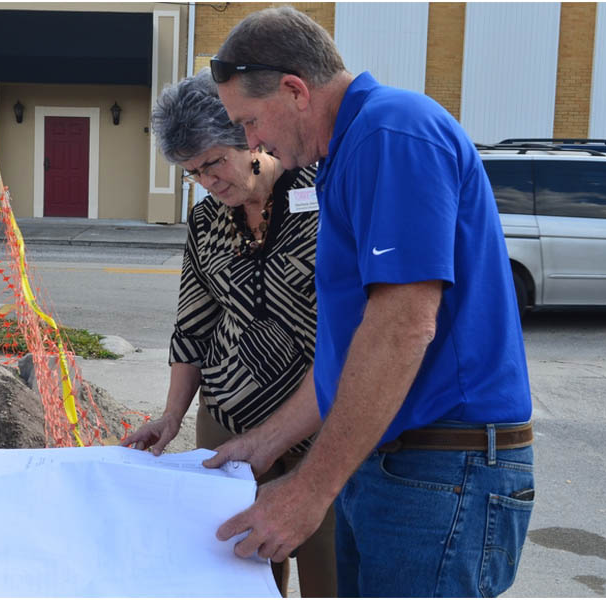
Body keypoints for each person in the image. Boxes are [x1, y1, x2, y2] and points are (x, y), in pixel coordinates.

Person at [201, 6, 535, 598]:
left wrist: (309, 489)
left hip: (439, 472)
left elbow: (403, 326)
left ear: (295, 90)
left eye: (249, 121)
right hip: (398, 468)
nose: (251, 142)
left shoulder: (390, 132)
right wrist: (269, 441)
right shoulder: (350, 151)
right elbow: (350, 352)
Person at [121, 69, 336, 598]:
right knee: (235, 570)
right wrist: (171, 416)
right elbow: (194, 324)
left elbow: (351, 330)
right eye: (193, 173)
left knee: (330, 572)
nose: (208, 182)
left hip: (321, 423)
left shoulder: (327, 195)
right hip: (228, 422)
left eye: (213, 162)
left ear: (249, 136)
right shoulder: (205, 222)